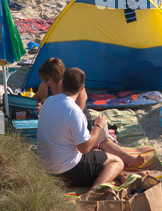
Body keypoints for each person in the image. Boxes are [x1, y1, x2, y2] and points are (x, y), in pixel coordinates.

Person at [35, 58, 145, 170]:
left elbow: (77, 110)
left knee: (103, 140)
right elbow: (37, 98)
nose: (45, 82)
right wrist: (41, 106)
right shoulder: (46, 86)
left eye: (47, 79)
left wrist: (52, 110)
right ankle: (118, 165)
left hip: (78, 120)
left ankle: (130, 160)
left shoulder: (72, 84)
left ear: (57, 77)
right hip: (62, 121)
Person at [37, 67, 124, 199]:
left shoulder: (48, 102)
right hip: (66, 171)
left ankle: (121, 175)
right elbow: (84, 148)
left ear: (63, 83)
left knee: (99, 157)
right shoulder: (75, 111)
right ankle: (92, 193)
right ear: (82, 87)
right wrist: (98, 126)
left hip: (45, 168)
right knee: (117, 161)